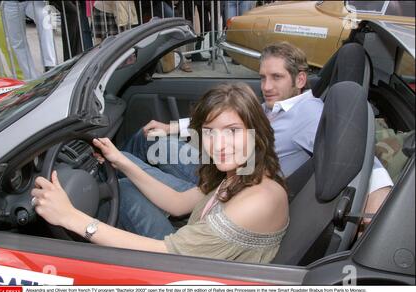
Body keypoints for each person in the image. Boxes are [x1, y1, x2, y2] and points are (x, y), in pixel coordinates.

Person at [123, 42, 393, 234]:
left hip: (232, 176)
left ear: (300, 79)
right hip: (228, 167)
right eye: (262, 77)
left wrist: (380, 200)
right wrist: (172, 127)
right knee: (148, 137)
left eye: (276, 77)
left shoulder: (310, 115)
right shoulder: (275, 106)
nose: (266, 87)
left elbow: (356, 153)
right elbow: (224, 121)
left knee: (124, 170)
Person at [31, 83, 289, 264]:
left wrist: (71, 218)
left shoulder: (259, 199)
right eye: (210, 132)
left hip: (186, 275)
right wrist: (121, 161)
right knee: (125, 186)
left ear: (257, 131)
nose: (218, 145)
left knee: (120, 195)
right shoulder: (240, 171)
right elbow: (178, 204)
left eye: (232, 131)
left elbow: (166, 253)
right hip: (191, 254)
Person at [2, 1, 57, 79]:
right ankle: (31, 78)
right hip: (10, 3)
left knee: (45, 24)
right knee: (17, 42)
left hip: (33, 2)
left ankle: (50, 65)